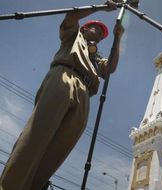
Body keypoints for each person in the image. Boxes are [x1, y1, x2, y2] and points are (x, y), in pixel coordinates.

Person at [0, 1, 124, 189]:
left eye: (102, 34)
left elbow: (109, 69)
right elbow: (71, 17)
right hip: (64, 76)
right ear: (84, 29)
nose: (99, 34)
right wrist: (101, 7)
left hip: (85, 93)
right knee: (38, 134)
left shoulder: (96, 58)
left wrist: (117, 37)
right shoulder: (73, 37)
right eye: (96, 29)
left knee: (59, 149)